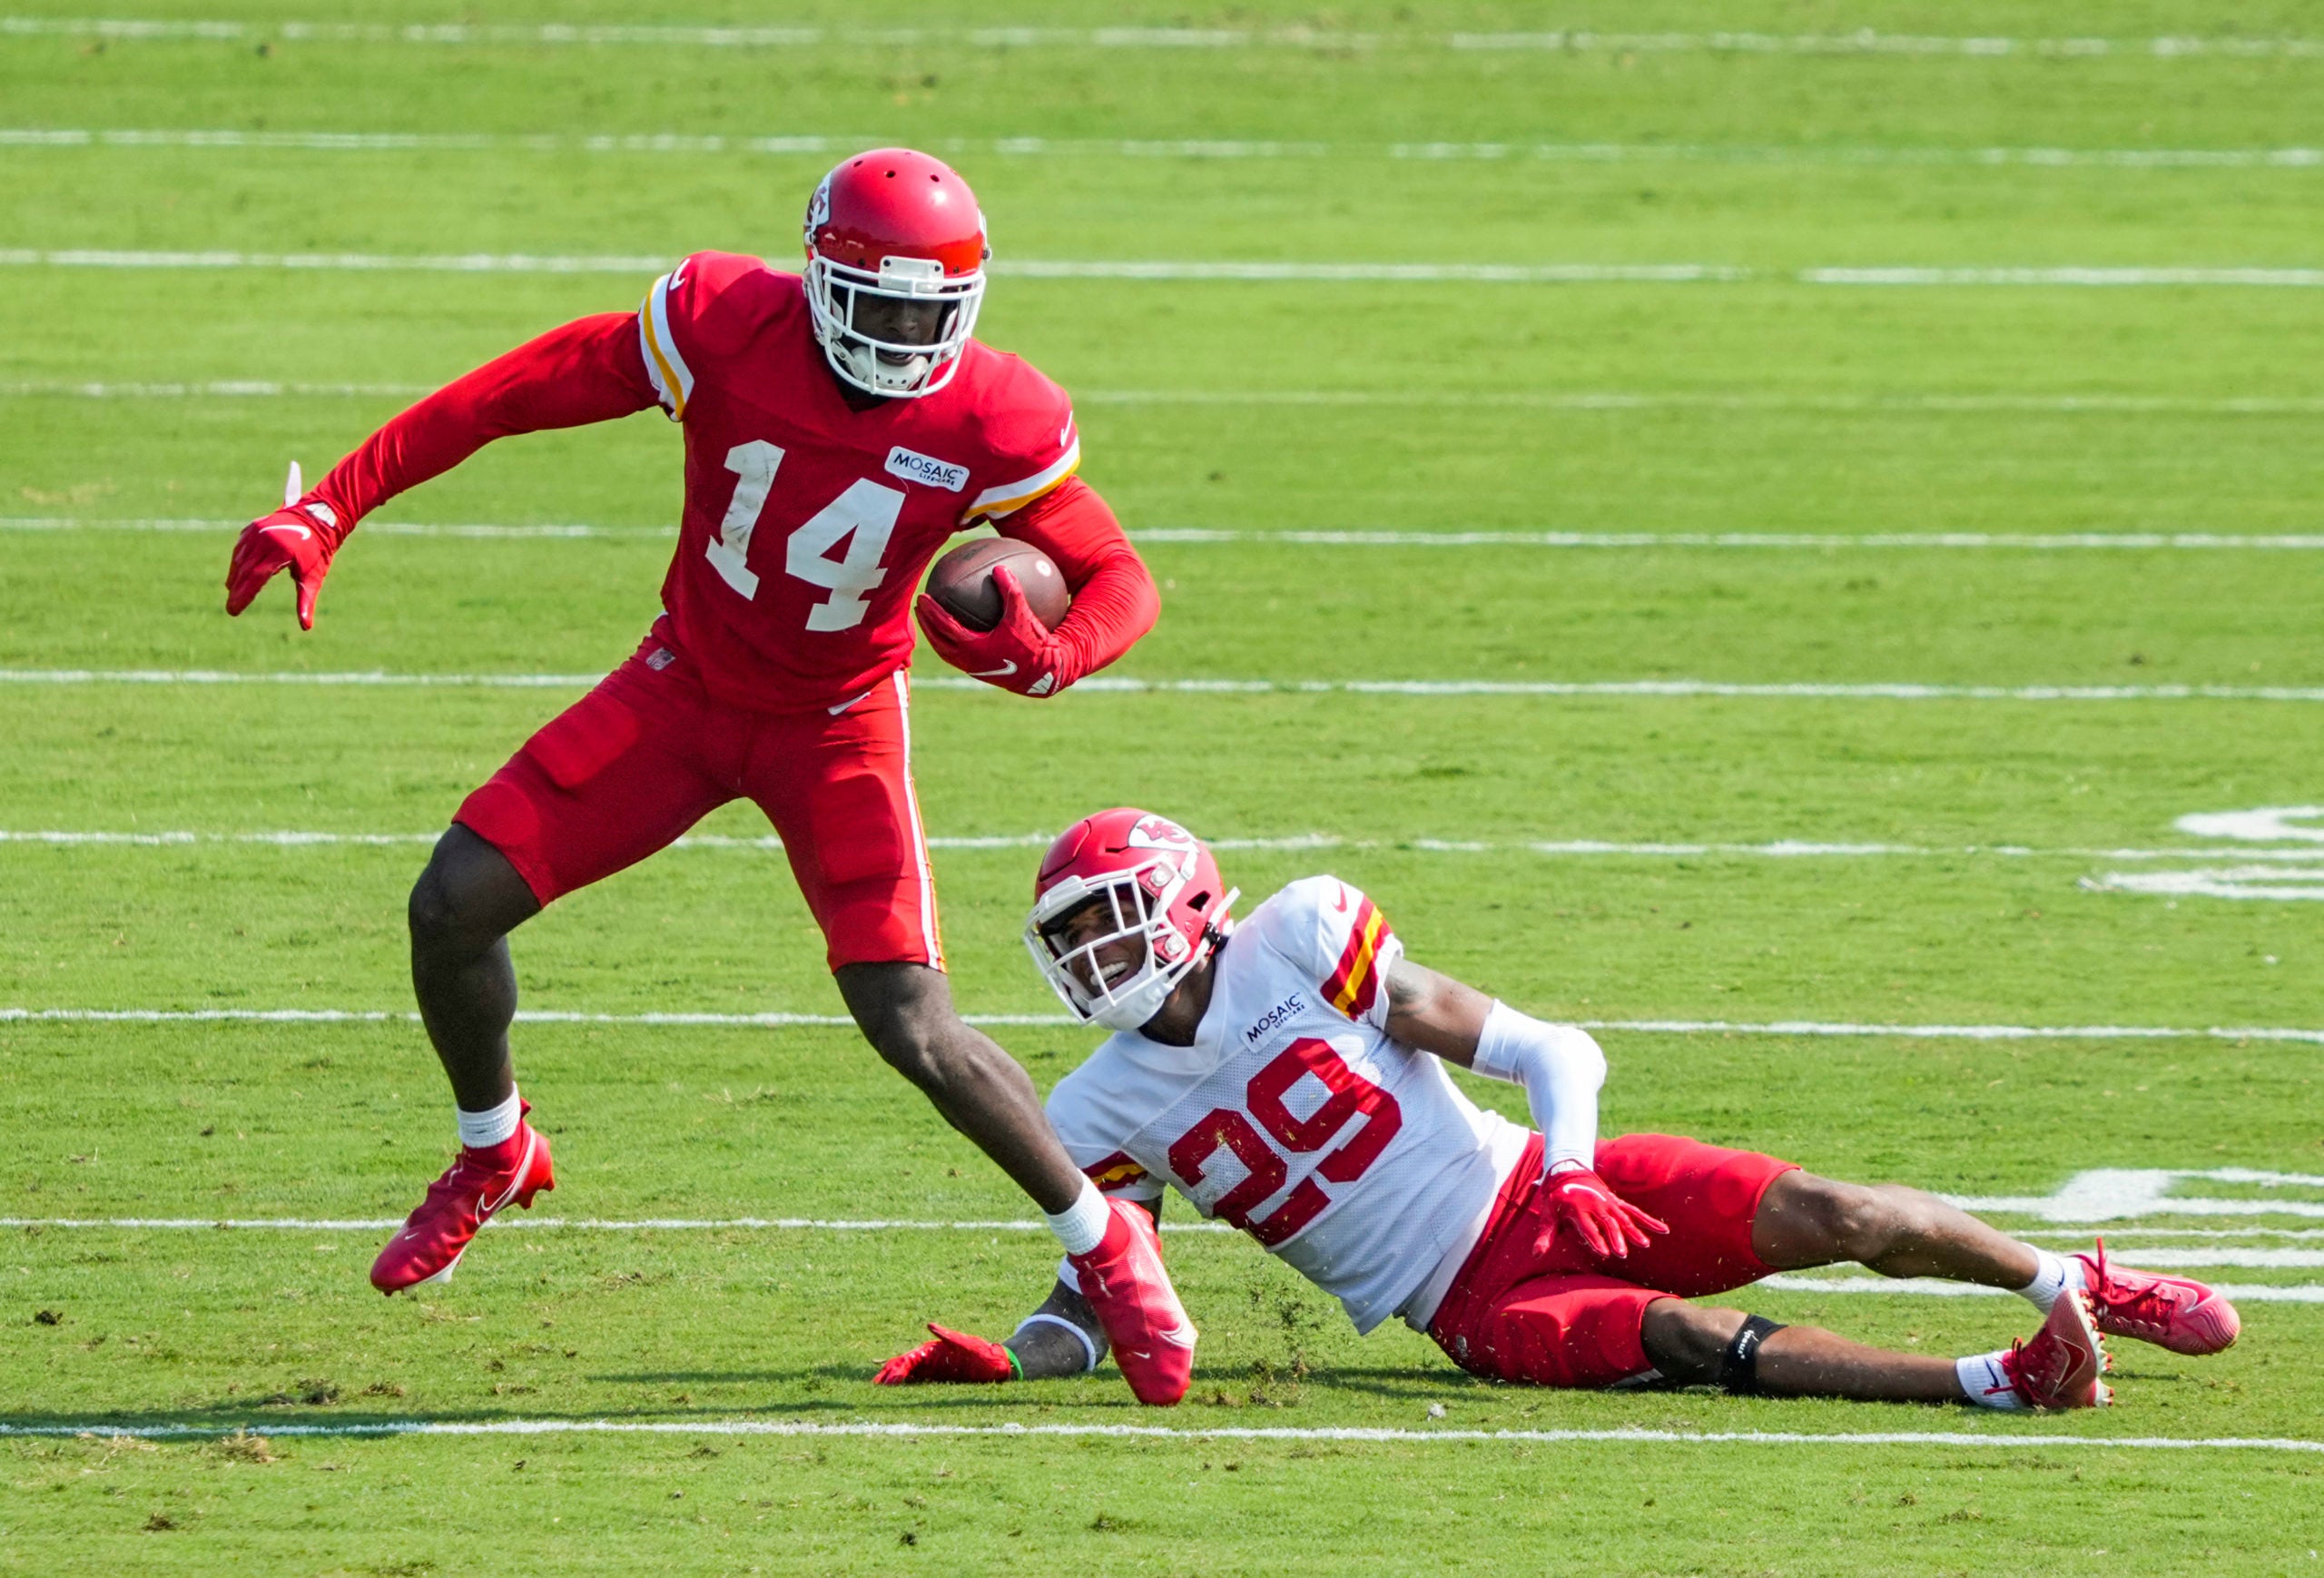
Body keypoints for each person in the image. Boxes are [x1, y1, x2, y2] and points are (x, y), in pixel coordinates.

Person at [221, 151, 1191, 1392]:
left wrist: (1055, 658)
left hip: (837, 721)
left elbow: (1124, 579)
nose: (903, 335)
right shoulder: (723, 323)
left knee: (912, 1023)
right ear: (822, 277)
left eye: (928, 312)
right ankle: (495, 1146)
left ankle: (1105, 1241)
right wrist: (334, 506)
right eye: (880, 304)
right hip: (682, 689)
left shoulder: (991, 414)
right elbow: (512, 393)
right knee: (448, 903)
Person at [876, 808, 2241, 1409]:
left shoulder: (1301, 936)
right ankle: (2002, 1381)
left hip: (1536, 1177)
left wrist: (1576, 1168)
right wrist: (1021, 1355)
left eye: (1114, 928)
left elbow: (1552, 1047)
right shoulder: (1095, 1098)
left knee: (1836, 1210)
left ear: (1185, 905)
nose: (1096, 964)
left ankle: (2081, 1281)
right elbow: (1102, 1282)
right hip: (1468, 1305)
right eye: (1078, 942)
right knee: (1693, 1339)